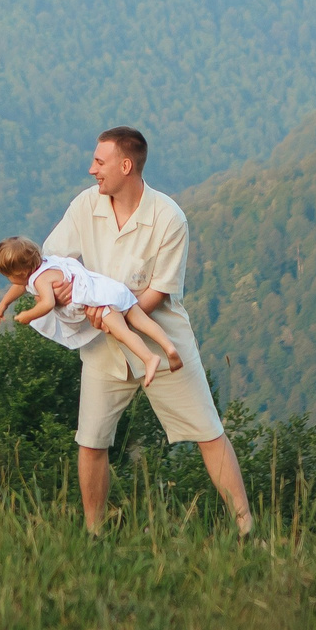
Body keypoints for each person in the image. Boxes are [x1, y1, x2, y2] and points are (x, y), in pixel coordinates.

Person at [41, 126, 254, 536]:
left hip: (162, 339)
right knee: (91, 440)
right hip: (101, 344)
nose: (91, 170)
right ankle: (94, 535)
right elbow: (52, 260)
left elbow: (158, 291)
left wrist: (113, 317)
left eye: (99, 162)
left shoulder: (169, 217)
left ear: (126, 165)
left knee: (209, 433)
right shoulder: (86, 206)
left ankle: (247, 530)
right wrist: (65, 290)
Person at [0, 236, 183, 386]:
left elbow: (47, 303)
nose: (10, 281)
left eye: (9, 276)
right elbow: (21, 286)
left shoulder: (41, 280)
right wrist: (5, 302)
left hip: (101, 303)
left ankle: (149, 358)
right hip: (112, 289)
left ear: (20, 273)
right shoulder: (48, 263)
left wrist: (27, 315)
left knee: (123, 333)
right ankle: (169, 347)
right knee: (142, 321)